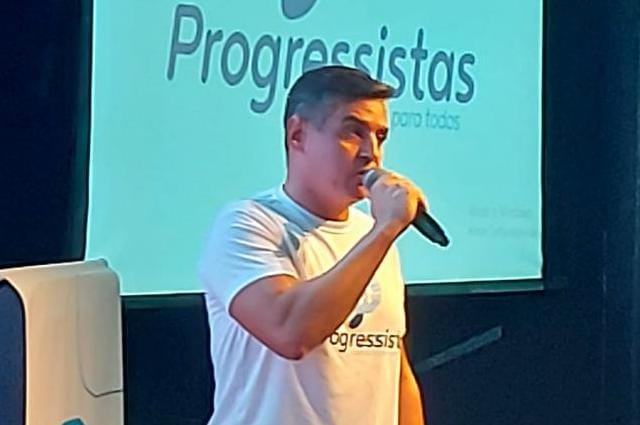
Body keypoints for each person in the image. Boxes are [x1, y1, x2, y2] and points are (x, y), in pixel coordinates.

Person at [198, 65, 426, 425]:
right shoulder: (247, 224)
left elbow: (393, 368)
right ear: (298, 135)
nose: (371, 153)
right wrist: (386, 229)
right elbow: (290, 333)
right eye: (353, 132)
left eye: (380, 137)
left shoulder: (372, 236)